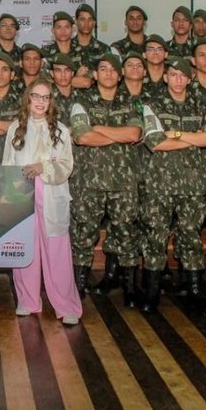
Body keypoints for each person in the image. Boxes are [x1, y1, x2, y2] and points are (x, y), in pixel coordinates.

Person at [140, 57, 206, 314]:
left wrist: (177, 133)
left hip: (193, 184)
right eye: (173, 75)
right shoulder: (152, 104)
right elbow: (155, 142)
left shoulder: (201, 104)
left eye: (182, 75)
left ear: (190, 78)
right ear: (165, 77)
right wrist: (193, 139)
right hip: (159, 182)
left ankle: (194, 290)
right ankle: (151, 293)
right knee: (155, 236)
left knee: (192, 237)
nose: (177, 79)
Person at [2, 77, 80, 325]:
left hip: (51, 195)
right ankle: (27, 300)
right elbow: (7, 164)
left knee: (57, 253)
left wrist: (43, 167)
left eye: (45, 97)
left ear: (51, 101)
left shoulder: (61, 131)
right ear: (28, 98)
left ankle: (66, 305)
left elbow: (66, 166)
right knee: (25, 248)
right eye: (36, 96)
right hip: (23, 196)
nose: (40, 102)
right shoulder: (16, 128)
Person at [70, 54, 142, 305]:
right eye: (103, 69)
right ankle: (77, 288)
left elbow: (135, 133)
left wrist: (98, 128)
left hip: (123, 182)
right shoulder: (81, 101)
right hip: (89, 181)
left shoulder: (132, 102)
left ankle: (131, 290)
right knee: (84, 233)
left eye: (113, 69)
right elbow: (81, 137)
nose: (109, 73)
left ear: (120, 74)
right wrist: (118, 135)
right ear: (95, 75)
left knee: (126, 233)